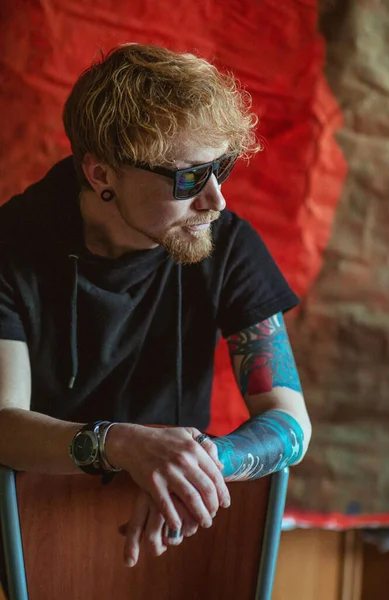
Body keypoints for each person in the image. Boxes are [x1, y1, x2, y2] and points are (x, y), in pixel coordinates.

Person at [0, 43, 312, 574]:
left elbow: (291, 423)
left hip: (177, 534)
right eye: (189, 177)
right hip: (33, 532)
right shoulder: (12, 245)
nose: (216, 200)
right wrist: (121, 444)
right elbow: (4, 423)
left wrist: (194, 465)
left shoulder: (228, 243)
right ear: (101, 175)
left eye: (223, 167)